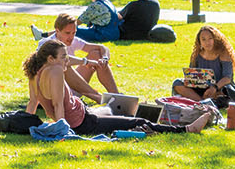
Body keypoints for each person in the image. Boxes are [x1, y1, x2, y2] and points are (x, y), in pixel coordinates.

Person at [25, 39, 211, 135]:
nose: (67, 61)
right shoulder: (56, 71)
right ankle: (186, 130)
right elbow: (57, 105)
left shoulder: (36, 72)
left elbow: (33, 103)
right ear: (51, 59)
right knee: (136, 123)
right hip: (82, 123)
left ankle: (160, 116)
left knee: (119, 109)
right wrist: (62, 133)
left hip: (85, 114)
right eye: (64, 57)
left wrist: (24, 123)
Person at [30, 13, 119, 95]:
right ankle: (97, 96)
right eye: (67, 33)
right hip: (53, 91)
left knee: (96, 54)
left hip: (73, 86)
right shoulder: (46, 43)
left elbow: (102, 48)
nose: (71, 37)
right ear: (57, 31)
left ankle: (116, 95)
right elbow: (61, 60)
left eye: (74, 33)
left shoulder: (73, 41)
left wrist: (105, 58)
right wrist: (86, 62)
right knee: (64, 64)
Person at [172, 24, 235, 107]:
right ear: (200, 42)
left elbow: (227, 78)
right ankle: (202, 102)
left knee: (225, 91)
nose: (207, 42)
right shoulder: (196, 55)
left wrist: (214, 88)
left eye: (210, 38)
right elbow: (191, 75)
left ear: (215, 39)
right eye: (203, 39)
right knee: (177, 83)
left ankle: (201, 101)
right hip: (201, 87)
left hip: (219, 87)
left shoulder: (223, 54)